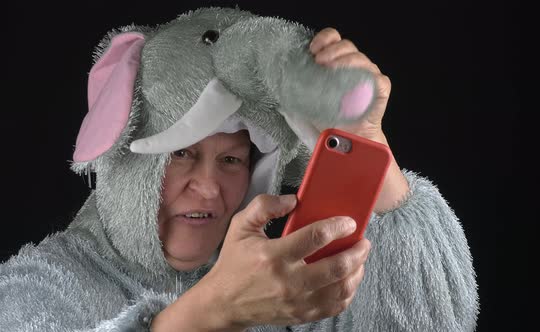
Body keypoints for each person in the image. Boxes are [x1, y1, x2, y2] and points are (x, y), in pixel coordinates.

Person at [0, 7, 479, 332]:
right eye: (181, 153)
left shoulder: (286, 287)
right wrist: (217, 309)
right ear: (128, 159)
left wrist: (370, 144)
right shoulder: (38, 285)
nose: (208, 187)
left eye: (231, 159)